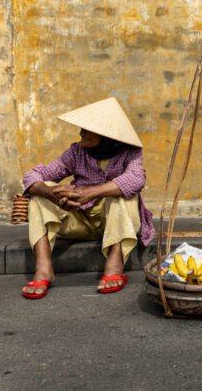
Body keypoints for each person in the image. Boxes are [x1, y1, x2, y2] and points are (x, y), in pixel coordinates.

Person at [20, 97, 154, 299]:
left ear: (105, 134)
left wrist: (88, 193)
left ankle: (115, 264)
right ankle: (44, 267)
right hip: (78, 220)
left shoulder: (131, 152)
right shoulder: (76, 152)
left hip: (113, 223)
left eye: (86, 129)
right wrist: (52, 195)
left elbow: (136, 179)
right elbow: (33, 175)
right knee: (39, 193)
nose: (80, 133)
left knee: (122, 193)